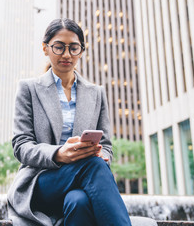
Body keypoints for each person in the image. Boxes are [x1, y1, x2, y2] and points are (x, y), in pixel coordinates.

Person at [7, 18, 131, 226]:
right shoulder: (29, 89)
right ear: (45, 48)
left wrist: (102, 154)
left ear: (81, 51)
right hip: (42, 181)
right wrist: (59, 154)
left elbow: (107, 146)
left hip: (81, 184)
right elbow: (21, 146)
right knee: (92, 165)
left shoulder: (96, 93)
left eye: (73, 48)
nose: (66, 54)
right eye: (59, 47)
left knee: (79, 202)